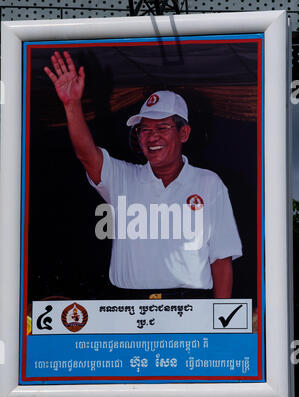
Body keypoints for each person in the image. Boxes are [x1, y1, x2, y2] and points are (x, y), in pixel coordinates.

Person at [44, 50, 242, 300]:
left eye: (162, 127)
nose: (152, 136)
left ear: (184, 133)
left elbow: (221, 258)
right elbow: (86, 155)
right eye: (144, 129)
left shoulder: (208, 183)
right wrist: (71, 105)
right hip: (127, 306)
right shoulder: (123, 178)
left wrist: (219, 321)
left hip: (189, 306)